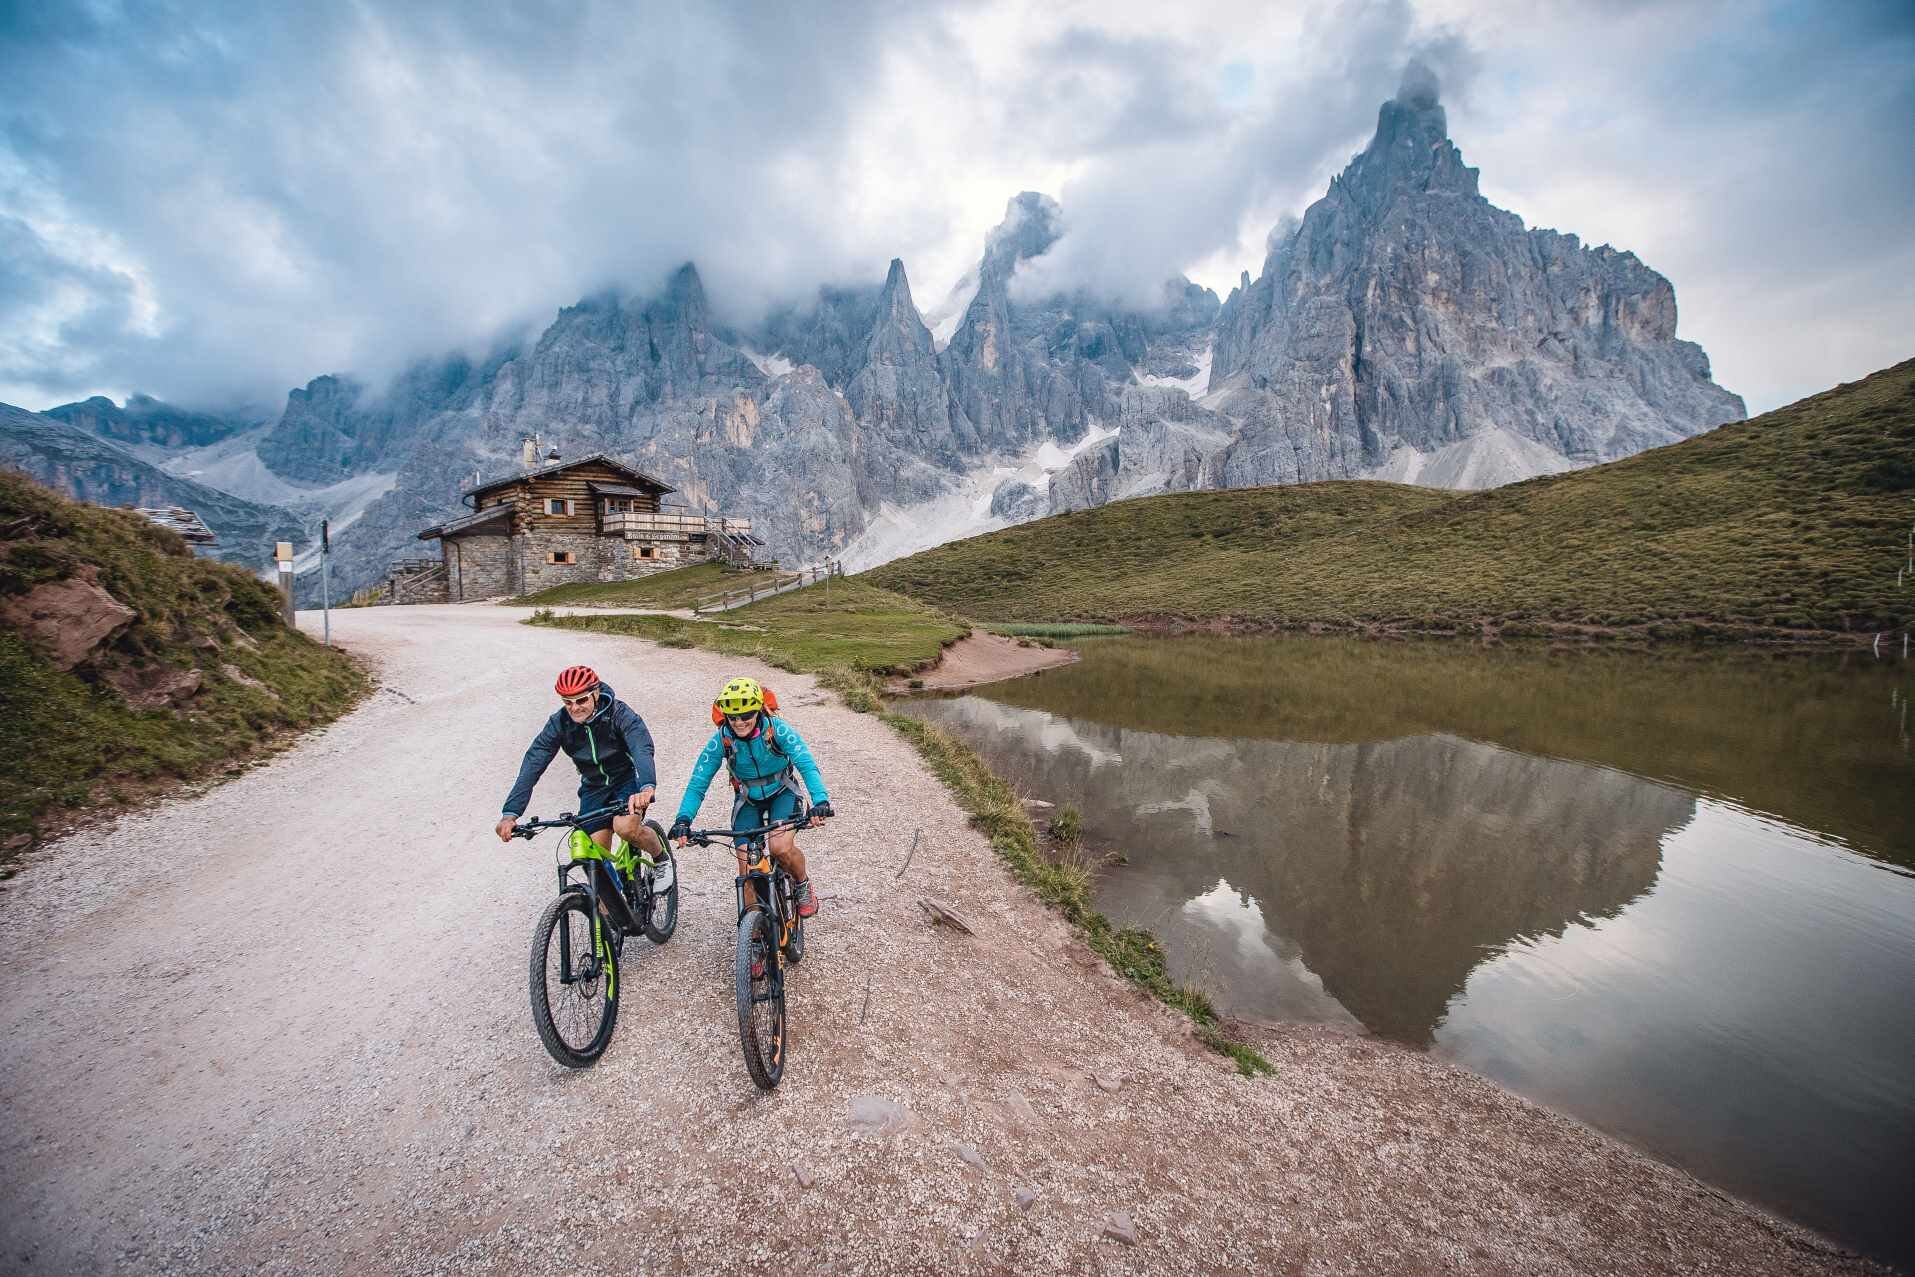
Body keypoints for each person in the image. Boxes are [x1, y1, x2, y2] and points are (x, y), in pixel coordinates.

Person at [668, 676, 833, 916]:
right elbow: (698, 782)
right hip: (747, 799)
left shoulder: (777, 730)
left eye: (746, 715)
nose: (739, 722)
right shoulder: (721, 740)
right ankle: (753, 930)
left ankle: (802, 884)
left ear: (758, 710)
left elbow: (806, 764)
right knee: (745, 866)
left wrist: (820, 801)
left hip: (783, 791)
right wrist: (683, 820)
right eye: (733, 717)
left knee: (780, 848)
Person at [495, 665, 665, 868]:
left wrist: (647, 786)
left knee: (626, 828)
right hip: (593, 788)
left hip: (625, 782)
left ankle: (662, 859)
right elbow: (534, 762)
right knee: (594, 861)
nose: (574, 708)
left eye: (581, 700)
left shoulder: (619, 713)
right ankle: (607, 900)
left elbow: (641, 747)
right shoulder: (560, 723)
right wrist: (510, 814)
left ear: (595, 693)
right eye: (567, 702)